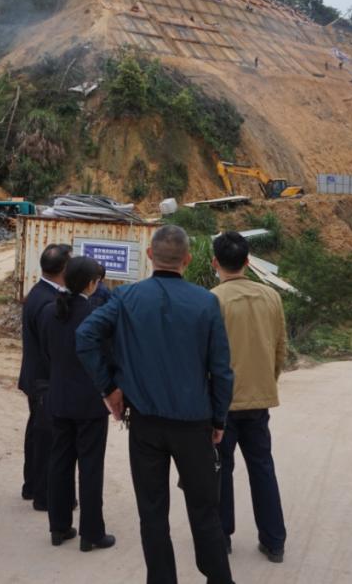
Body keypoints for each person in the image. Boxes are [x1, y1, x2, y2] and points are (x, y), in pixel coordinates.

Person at [77, 225, 235, 584]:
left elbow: (85, 336)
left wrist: (109, 388)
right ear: (188, 259)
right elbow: (221, 369)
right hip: (195, 424)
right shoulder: (206, 302)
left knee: (152, 513)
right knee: (205, 511)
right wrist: (220, 418)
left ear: (150, 256)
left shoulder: (125, 299)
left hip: (145, 425)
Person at [210, 232, 288, 563]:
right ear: (247, 261)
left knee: (220, 470)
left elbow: (205, 357)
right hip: (259, 401)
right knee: (262, 468)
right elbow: (280, 348)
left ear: (215, 263)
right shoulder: (271, 296)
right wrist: (267, 381)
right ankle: (274, 541)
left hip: (223, 404)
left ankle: (222, 537)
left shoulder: (212, 300)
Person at [42, 256, 116, 552]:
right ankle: (92, 534)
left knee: (59, 462)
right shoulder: (97, 315)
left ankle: (58, 527)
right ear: (91, 283)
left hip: (58, 397)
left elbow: (48, 354)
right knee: (90, 467)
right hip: (89, 402)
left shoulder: (50, 311)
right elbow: (107, 358)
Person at [19, 244, 72, 509]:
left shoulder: (38, 293)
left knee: (37, 434)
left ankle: (31, 486)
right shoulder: (49, 302)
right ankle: (44, 494)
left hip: (36, 377)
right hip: (45, 381)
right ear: (63, 268)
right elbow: (52, 347)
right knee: (48, 439)